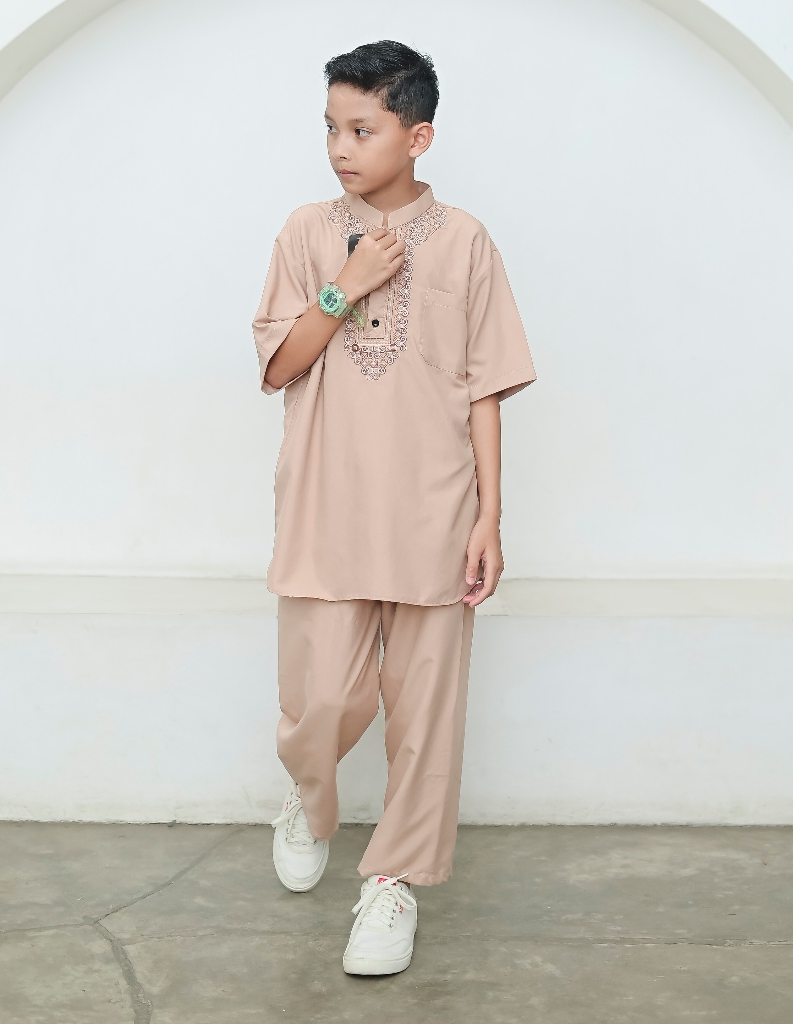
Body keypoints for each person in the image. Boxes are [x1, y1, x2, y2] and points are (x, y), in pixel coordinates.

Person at [252, 39, 537, 976]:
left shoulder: (465, 241)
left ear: (418, 137)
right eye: (331, 128)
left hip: (434, 509)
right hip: (328, 502)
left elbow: (485, 388)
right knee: (322, 697)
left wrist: (490, 516)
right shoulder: (306, 231)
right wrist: (347, 286)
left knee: (426, 715)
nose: (341, 146)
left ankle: (392, 883)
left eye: (362, 129)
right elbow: (279, 366)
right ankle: (310, 798)